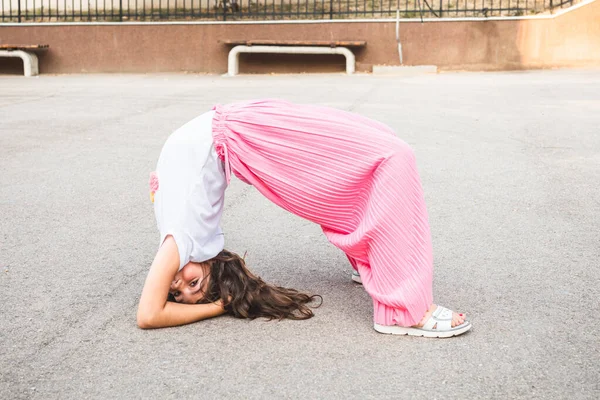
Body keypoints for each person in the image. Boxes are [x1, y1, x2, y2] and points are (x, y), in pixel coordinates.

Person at [137, 99, 471, 338]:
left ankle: (378, 265)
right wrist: (220, 303)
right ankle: (402, 310)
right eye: (186, 289)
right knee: (389, 153)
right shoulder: (188, 241)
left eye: (178, 287)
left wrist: (218, 306)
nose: (177, 281)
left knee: (385, 149)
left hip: (241, 129)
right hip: (239, 128)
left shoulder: (180, 240)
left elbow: (149, 315)